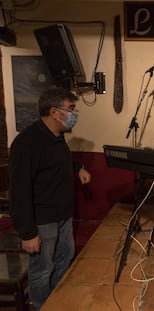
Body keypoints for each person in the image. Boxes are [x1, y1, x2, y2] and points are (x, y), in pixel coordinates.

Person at [8, 87, 91, 310]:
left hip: (63, 215)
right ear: (55, 112)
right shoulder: (26, 143)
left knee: (65, 259)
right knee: (42, 269)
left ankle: (57, 301)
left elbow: (54, 165)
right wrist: (28, 233)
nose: (75, 114)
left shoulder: (57, 136)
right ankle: (42, 305)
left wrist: (79, 167)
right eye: (71, 109)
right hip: (42, 221)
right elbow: (19, 191)